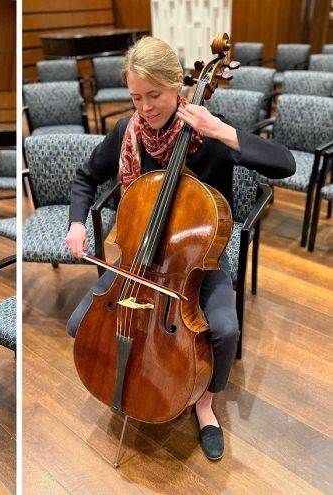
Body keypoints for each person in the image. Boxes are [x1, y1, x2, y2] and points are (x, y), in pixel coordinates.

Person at [64, 36, 295, 461]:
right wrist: (78, 222)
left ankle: (205, 404)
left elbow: (285, 164)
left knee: (225, 331)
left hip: (196, 259)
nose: (145, 107)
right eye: (136, 97)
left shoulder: (209, 133)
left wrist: (220, 130)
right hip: (138, 256)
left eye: (154, 95)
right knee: (79, 325)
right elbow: (84, 177)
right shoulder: (128, 132)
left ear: (177, 86)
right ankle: (133, 377)